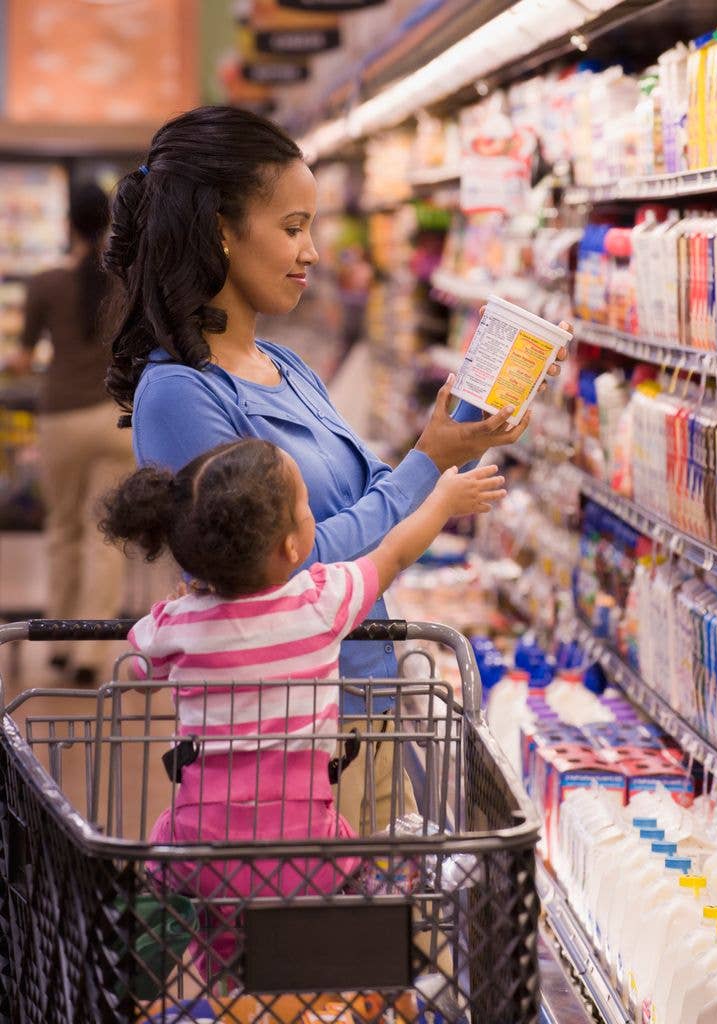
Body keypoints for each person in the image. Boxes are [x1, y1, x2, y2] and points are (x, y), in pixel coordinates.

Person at [104, 105, 570, 831]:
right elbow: (279, 571)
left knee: (385, 935)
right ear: (221, 231)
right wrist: (426, 468)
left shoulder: (285, 368)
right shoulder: (180, 393)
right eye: (293, 227)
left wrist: (456, 439)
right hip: (289, 748)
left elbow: (368, 499)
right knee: (336, 941)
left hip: (366, 706)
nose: (314, 251)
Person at [99, 433, 506, 976]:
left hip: (201, 857)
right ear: (291, 549)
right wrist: (442, 502)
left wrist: (186, 601)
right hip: (308, 854)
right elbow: (395, 551)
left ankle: (171, 957)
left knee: (220, 946)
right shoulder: (319, 601)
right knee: (405, 850)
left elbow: (146, 662)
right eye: (306, 507)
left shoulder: (178, 625)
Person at [17, 182, 133, 684]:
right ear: (108, 224)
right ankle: (91, 653)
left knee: (62, 529)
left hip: (60, 417)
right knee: (103, 536)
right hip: (114, 418)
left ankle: (58, 643)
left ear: (68, 226)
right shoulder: (125, 282)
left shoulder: (45, 284)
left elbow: (23, 358)